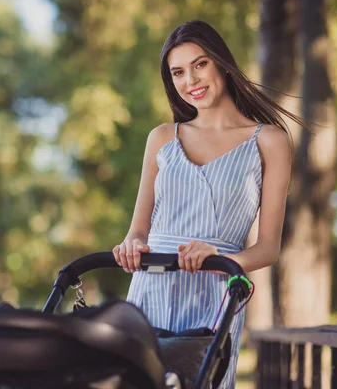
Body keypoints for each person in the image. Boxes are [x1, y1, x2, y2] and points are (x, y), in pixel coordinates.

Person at [112, 20, 304, 388]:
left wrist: (222, 258)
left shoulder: (270, 141)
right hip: (151, 285)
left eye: (200, 65)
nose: (191, 81)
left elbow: (268, 248)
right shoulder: (162, 138)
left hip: (215, 294)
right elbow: (139, 228)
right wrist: (133, 244)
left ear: (221, 64)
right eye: (178, 72)